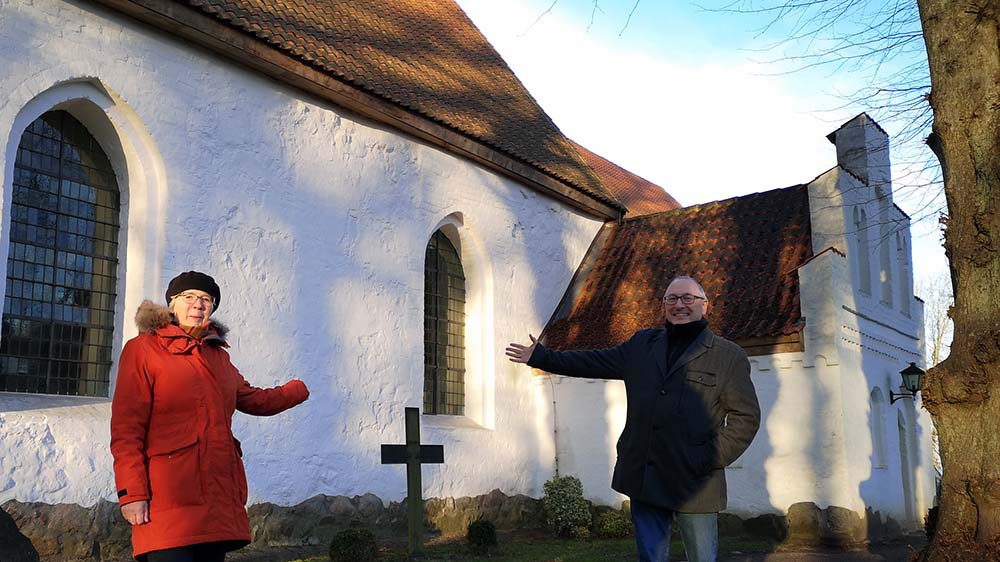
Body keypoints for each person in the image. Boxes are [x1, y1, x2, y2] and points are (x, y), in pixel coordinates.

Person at [506, 276, 760, 562]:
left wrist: (708, 457)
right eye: (672, 299)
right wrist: (541, 357)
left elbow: (746, 418)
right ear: (664, 306)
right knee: (651, 558)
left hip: (696, 482)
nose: (679, 305)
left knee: (703, 558)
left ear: (705, 306)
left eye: (688, 298)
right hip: (645, 477)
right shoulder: (642, 345)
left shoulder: (728, 356)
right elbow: (593, 362)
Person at [110, 271, 310, 562]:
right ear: (172, 305)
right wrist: (132, 494)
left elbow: (254, 399)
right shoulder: (143, 350)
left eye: (206, 299)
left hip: (215, 501)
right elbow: (127, 429)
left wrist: (298, 389)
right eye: (188, 297)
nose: (198, 304)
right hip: (167, 498)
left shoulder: (218, 356)